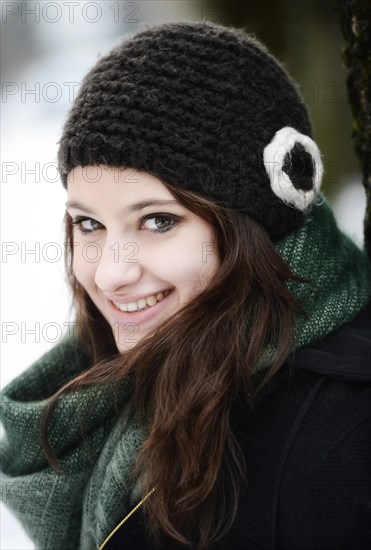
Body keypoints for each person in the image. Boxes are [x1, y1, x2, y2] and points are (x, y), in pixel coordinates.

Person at [1, 21, 371, 550]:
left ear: (253, 223)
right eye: (89, 224)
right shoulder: (118, 383)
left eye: (157, 221)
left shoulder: (337, 446)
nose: (111, 272)